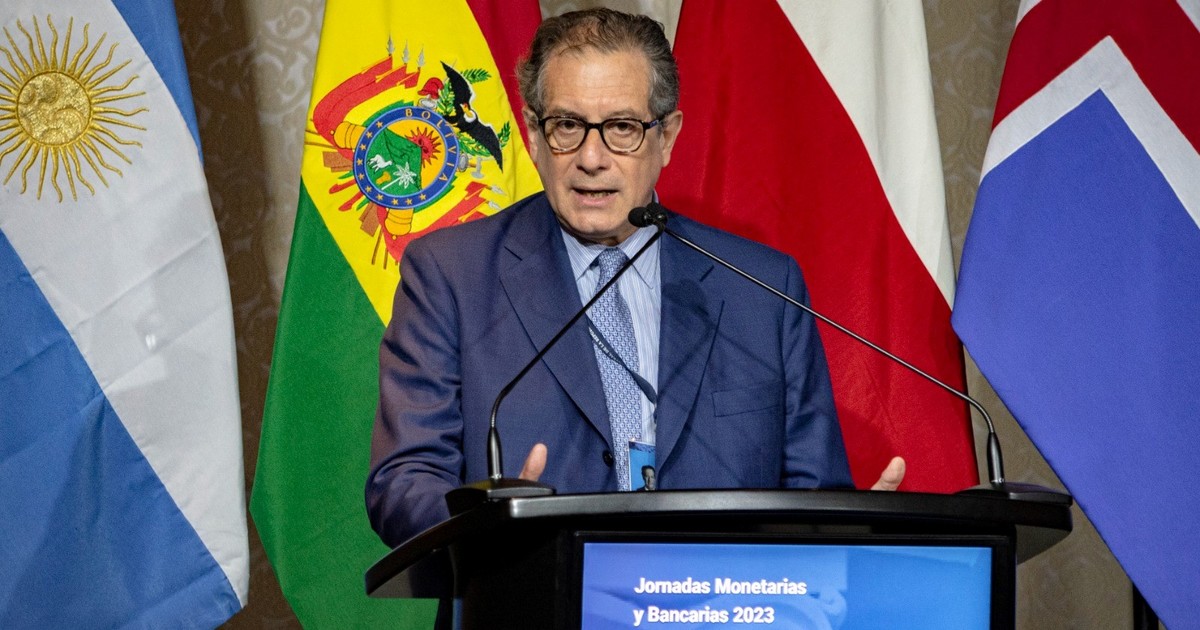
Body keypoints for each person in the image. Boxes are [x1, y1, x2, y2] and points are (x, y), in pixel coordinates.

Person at [367, 8, 903, 549]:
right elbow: (402, 483)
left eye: (622, 128)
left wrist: (846, 530)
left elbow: (812, 496)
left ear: (666, 137)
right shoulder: (451, 276)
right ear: (533, 134)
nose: (591, 158)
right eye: (567, 126)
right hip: (533, 586)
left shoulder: (762, 289)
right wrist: (486, 522)